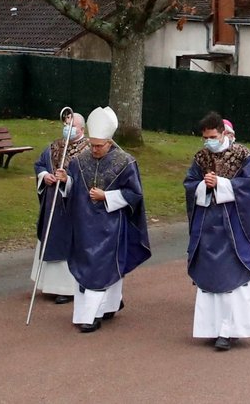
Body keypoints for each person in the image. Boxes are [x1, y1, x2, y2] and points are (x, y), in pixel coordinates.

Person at [184, 112, 250, 351]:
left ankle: (230, 330)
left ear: (223, 133)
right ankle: (210, 328)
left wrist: (222, 184)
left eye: (212, 137)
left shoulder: (244, 155)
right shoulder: (201, 157)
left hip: (236, 228)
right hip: (207, 226)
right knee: (209, 276)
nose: (208, 142)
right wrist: (202, 186)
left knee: (233, 279)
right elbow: (189, 183)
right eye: (205, 138)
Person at [56, 106, 151, 332]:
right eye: (92, 144)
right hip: (83, 224)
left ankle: (92, 315)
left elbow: (134, 195)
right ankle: (109, 304)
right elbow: (74, 187)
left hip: (110, 226)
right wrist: (64, 181)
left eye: (99, 146)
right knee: (90, 266)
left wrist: (106, 196)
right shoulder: (79, 160)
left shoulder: (125, 162)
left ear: (109, 142)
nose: (95, 149)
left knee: (102, 266)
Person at [30, 112, 88, 304]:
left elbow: (89, 180)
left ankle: (67, 287)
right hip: (51, 203)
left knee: (68, 242)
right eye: (65, 123)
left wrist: (67, 181)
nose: (67, 127)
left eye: (71, 125)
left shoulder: (88, 150)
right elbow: (39, 165)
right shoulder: (54, 146)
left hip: (72, 207)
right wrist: (45, 175)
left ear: (82, 129)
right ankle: (48, 284)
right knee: (49, 238)